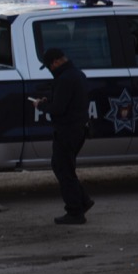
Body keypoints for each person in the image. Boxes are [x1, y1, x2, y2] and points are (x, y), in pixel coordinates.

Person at [33, 47, 93, 224]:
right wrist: (49, 102)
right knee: (63, 166)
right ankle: (82, 201)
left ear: (58, 61)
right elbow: (66, 102)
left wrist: (41, 106)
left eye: (51, 65)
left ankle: (75, 211)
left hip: (67, 131)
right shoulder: (77, 75)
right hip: (78, 129)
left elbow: (59, 109)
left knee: (63, 168)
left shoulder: (65, 79)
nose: (51, 69)